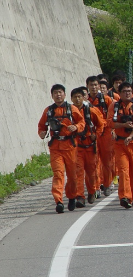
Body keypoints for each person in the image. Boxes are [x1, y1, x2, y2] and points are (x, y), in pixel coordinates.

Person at [38, 84, 85, 213]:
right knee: (58, 174)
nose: (58, 95)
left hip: (70, 146)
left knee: (72, 175)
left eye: (60, 92)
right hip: (55, 147)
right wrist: (42, 133)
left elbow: (82, 123)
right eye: (55, 93)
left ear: (64, 94)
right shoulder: (48, 111)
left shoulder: (72, 109)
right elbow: (42, 125)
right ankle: (58, 201)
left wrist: (75, 127)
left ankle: (71, 196)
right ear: (52, 96)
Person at [107, 82, 133, 208]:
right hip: (120, 143)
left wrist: (130, 136)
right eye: (124, 91)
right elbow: (110, 122)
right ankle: (124, 197)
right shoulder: (114, 106)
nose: (127, 93)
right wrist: (123, 125)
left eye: (129, 91)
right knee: (123, 171)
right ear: (120, 93)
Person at [71, 88, 105, 207]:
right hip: (77, 147)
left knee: (91, 173)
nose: (77, 99)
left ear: (84, 97)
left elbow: (101, 125)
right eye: (75, 97)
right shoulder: (69, 112)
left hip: (90, 146)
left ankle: (91, 191)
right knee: (78, 172)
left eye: (79, 96)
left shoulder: (91, 111)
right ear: (71, 99)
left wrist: (97, 135)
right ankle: (80, 196)